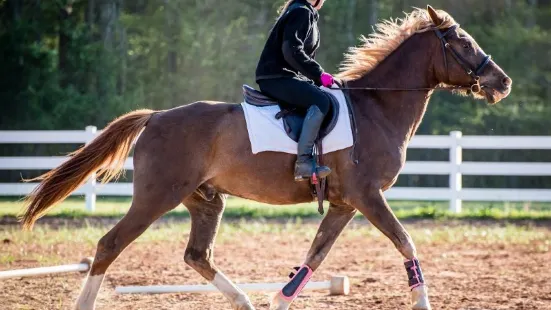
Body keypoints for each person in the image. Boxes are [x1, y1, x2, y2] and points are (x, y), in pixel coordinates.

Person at [255, 0, 333, 182]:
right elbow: (291, 51)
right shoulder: (301, 12)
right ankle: (304, 163)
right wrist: (318, 74)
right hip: (277, 77)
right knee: (321, 102)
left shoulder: (303, 11)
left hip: (280, 76)